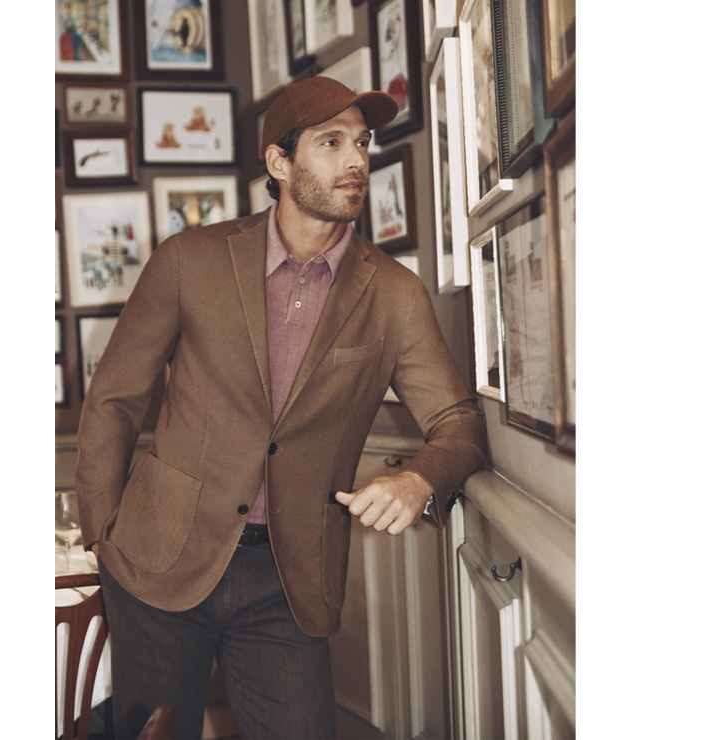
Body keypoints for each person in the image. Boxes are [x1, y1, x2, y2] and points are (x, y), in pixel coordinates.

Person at [74, 76, 487, 740]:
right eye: (331, 143)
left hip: (288, 583)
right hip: (157, 560)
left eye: (362, 143)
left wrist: (419, 479)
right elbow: (114, 399)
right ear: (279, 162)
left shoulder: (395, 294)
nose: (356, 161)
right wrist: (102, 532)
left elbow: (458, 421)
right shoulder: (189, 261)